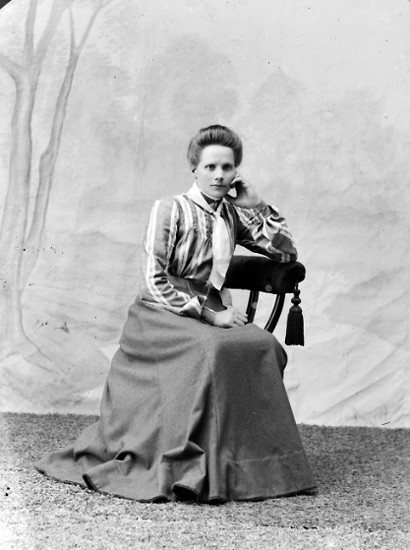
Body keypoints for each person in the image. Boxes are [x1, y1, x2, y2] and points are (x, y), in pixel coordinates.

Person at [35, 125, 316, 502]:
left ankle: (253, 467)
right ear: (194, 169)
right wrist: (210, 316)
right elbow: (153, 280)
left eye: (228, 167)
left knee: (265, 346)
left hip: (214, 307)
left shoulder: (232, 215)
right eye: (211, 167)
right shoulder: (169, 209)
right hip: (160, 313)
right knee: (212, 350)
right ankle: (197, 461)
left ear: (236, 172)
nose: (219, 175)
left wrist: (257, 206)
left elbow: (286, 253)